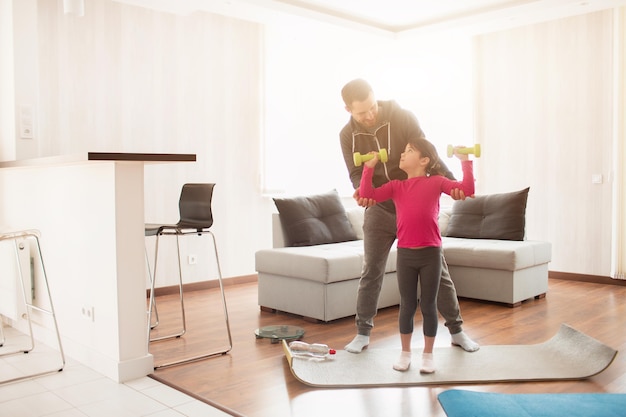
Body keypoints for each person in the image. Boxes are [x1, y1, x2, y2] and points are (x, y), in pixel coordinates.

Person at [339, 78, 480, 354]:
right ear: (348, 109)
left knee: (440, 273)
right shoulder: (347, 136)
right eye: (361, 112)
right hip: (381, 207)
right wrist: (361, 190)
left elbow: (428, 154)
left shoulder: (401, 117)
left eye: (372, 106)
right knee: (371, 271)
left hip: (413, 207)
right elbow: (356, 174)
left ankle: (457, 330)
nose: (370, 115)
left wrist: (453, 186)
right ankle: (363, 333)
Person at [359, 139, 475, 373]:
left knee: (429, 305)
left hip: (431, 253)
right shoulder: (396, 186)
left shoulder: (436, 182)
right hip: (405, 255)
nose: (402, 154)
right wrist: (368, 167)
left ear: (424, 160)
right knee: (407, 305)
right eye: (403, 149)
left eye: (409, 150)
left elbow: (466, 190)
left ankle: (428, 355)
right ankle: (405, 353)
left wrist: (465, 162)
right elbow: (367, 194)